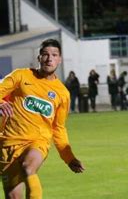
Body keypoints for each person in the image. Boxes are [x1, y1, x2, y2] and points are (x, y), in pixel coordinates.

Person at [0, 39, 85, 198]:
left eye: (54, 55)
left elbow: (58, 128)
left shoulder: (62, 93)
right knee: (13, 196)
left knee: (28, 167)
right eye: (45, 54)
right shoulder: (21, 75)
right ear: (39, 58)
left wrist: (69, 157)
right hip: (8, 142)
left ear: (59, 59)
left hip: (37, 141)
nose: (49, 58)